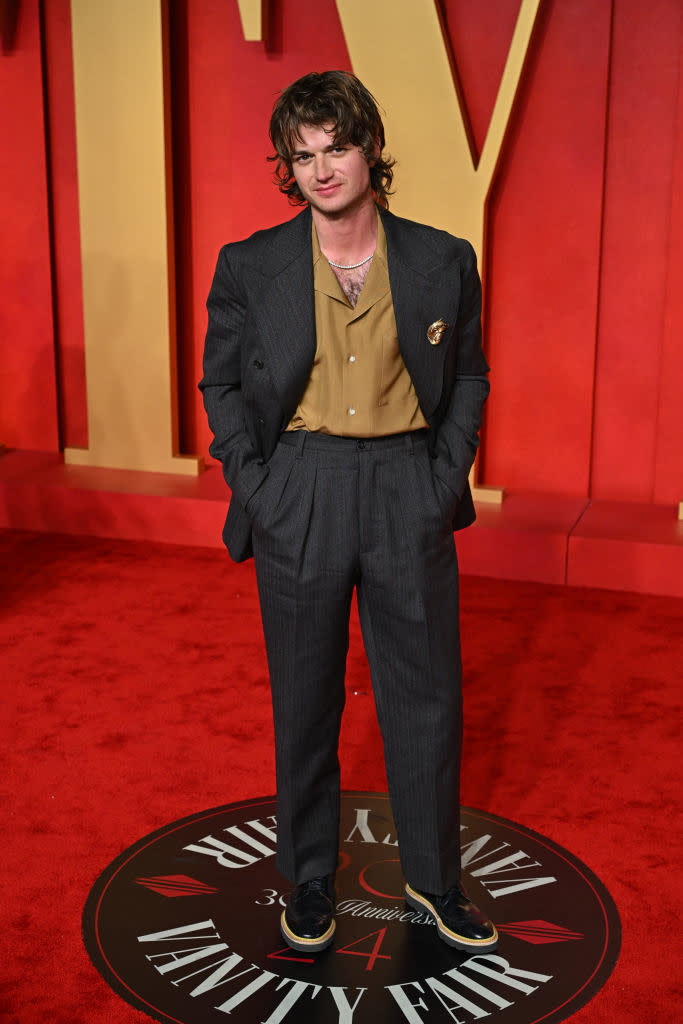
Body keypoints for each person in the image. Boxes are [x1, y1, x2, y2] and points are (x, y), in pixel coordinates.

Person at [200, 70, 497, 955]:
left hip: (409, 481)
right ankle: (311, 881)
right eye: (304, 154)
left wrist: (443, 477)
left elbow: (472, 374)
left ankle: (436, 883)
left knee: (426, 697)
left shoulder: (442, 259)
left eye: (337, 147)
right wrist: (259, 486)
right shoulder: (250, 265)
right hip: (302, 486)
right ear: (289, 168)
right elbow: (219, 383)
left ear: (369, 147)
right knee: (305, 697)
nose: (322, 168)